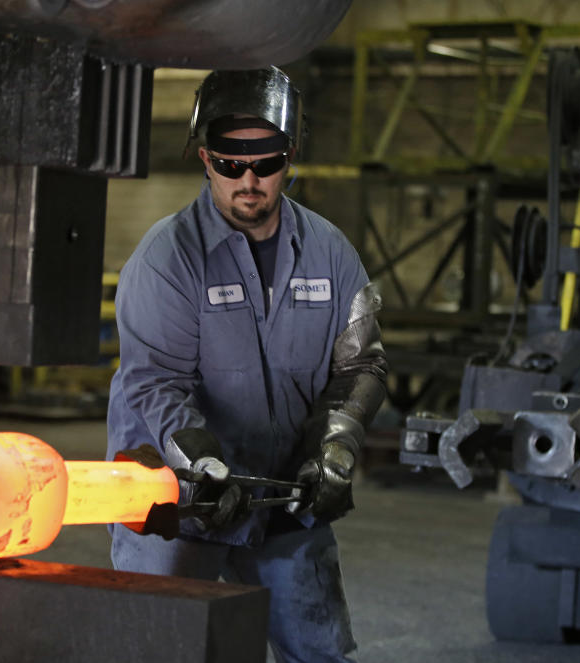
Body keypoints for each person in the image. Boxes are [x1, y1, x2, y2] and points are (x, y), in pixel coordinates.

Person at [105, 66, 388, 663]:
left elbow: (360, 366)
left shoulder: (332, 253)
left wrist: (334, 448)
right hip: (182, 503)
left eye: (267, 163)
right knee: (170, 651)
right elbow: (155, 383)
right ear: (205, 158)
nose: (250, 181)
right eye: (231, 165)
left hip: (286, 496)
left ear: (292, 157)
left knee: (318, 653)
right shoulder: (165, 260)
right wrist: (205, 466)